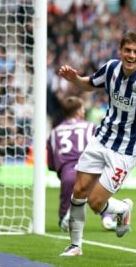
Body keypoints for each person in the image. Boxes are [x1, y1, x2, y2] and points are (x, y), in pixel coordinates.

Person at [57, 31, 136, 256]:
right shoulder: (111, 68)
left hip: (126, 150)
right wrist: (74, 79)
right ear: (120, 51)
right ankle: (75, 245)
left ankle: (123, 209)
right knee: (79, 191)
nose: (131, 55)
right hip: (101, 138)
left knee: (95, 203)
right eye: (128, 50)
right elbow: (89, 84)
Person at [46, 96, 114, 232]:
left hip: (67, 173)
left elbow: (51, 164)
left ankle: (65, 218)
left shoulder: (54, 132)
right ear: (78, 111)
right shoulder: (90, 127)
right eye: (82, 109)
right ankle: (107, 218)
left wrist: (62, 170)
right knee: (99, 197)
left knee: (66, 207)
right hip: (88, 169)